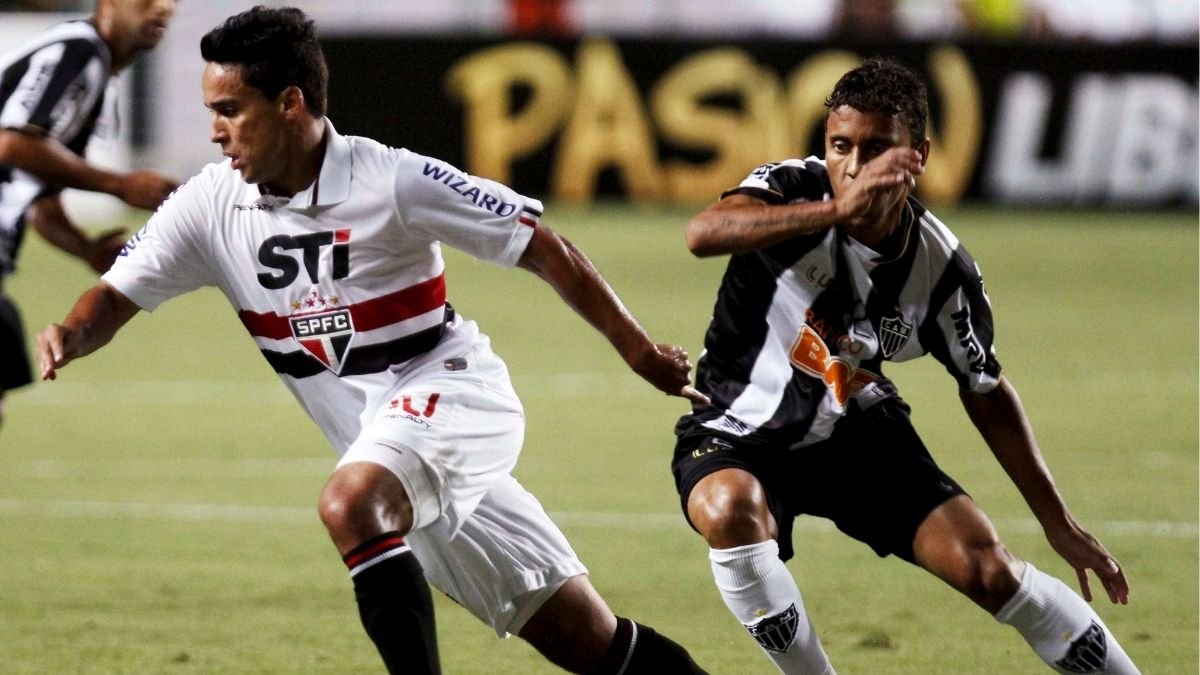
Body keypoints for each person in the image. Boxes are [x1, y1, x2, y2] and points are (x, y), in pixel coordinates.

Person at [36, 6, 708, 675]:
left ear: (290, 103)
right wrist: (71, 331)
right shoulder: (210, 205)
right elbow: (117, 292)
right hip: (386, 452)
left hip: (452, 399)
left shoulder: (393, 180)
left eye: (232, 109)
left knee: (348, 502)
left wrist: (639, 351)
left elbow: (541, 246)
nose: (215, 132)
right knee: (586, 636)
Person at [671, 57, 1141, 674]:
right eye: (840, 146)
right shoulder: (791, 189)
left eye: (876, 148)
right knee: (729, 509)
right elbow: (705, 233)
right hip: (735, 424)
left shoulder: (942, 270)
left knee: (989, 570)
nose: (854, 165)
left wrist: (1058, 522)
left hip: (855, 429)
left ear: (917, 155)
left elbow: (986, 390)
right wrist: (836, 213)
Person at [0, 0, 179, 428]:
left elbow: (40, 200)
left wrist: (85, 249)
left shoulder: (96, 73)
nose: (163, 8)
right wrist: (119, 184)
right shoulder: (79, 52)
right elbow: (11, 144)